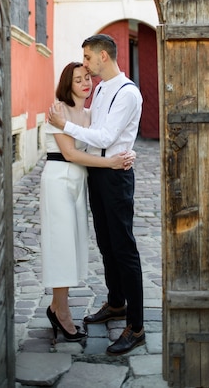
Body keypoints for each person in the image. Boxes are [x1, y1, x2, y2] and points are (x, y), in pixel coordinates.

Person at [48, 34, 145, 355]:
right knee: (106, 243)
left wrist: (64, 126)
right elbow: (95, 132)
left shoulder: (128, 92)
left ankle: (136, 326)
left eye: (88, 58)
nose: (86, 66)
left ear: (103, 56)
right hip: (98, 172)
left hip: (116, 176)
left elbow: (106, 134)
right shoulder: (101, 88)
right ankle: (116, 303)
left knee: (124, 248)